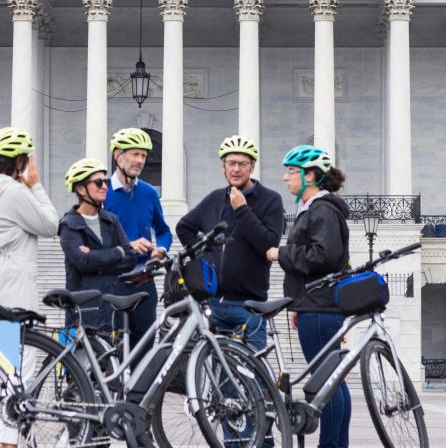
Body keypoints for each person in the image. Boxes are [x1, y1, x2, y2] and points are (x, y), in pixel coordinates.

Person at [0, 126, 59, 448]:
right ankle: (9, 441)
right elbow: (50, 224)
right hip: (16, 288)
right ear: (20, 161)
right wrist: (36, 185)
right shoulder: (14, 191)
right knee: (19, 369)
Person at [266, 145, 351, 448]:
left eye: (292, 171)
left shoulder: (322, 209)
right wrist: (297, 305)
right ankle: (336, 444)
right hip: (316, 303)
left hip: (321, 305)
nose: (285, 177)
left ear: (310, 176)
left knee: (325, 382)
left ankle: (331, 445)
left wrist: (281, 253)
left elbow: (323, 256)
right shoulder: (317, 208)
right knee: (332, 381)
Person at [176, 135, 285, 355]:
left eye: (242, 164)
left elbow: (268, 245)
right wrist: (203, 256)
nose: (236, 169)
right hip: (214, 304)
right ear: (222, 167)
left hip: (249, 306)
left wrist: (242, 210)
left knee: (253, 374)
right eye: (231, 163)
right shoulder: (215, 198)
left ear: (252, 167)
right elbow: (183, 227)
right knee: (214, 372)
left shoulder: (270, 200)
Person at [104, 127, 172, 351]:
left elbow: (163, 230)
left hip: (144, 283)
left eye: (143, 155)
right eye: (135, 154)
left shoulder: (149, 193)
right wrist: (128, 246)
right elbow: (93, 239)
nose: (140, 160)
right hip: (112, 283)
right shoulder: (101, 191)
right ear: (117, 155)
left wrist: (160, 249)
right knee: (110, 351)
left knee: (144, 352)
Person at [59, 157, 135, 335]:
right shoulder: (69, 224)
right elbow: (82, 262)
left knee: (111, 360)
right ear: (80, 189)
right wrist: (117, 252)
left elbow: (130, 258)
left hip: (110, 306)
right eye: (98, 182)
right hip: (83, 309)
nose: (104, 187)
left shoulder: (111, 219)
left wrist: (95, 256)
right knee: (80, 362)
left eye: (106, 182)